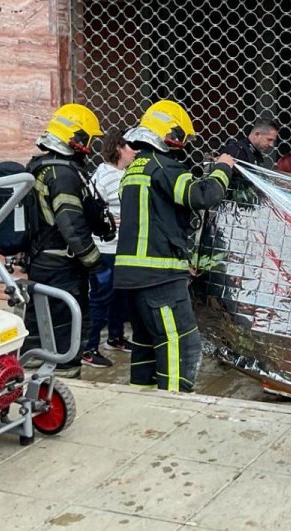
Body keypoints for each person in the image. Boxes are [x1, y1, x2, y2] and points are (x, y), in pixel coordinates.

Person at [114, 100, 234, 393]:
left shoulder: (133, 169)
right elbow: (202, 196)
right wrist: (223, 168)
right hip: (159, 276)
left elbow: (157, 220)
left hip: (134, 276)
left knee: (147, 343)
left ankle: (139, 401)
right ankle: (172, 407)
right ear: (170, 134)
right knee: (181, 344)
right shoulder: (163, 167)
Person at [22, 103, 106, 379]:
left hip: (41, 260)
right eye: (90, 139)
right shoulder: (63, 175)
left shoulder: (40, 167)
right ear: (77, 138)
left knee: (39, 321)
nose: (91, 146)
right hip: (61, 266)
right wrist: (94, 260)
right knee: (68, 323)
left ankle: (33, 366)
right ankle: (66, 377)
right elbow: (71, 224)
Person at [80, 130, 136, 368]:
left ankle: (116, 338)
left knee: (120, 296)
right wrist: (109, 218)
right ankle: (89, 348)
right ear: (119, 148)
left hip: (120, 248)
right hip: (105, 248)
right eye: (131, 147)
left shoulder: (124, 174)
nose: (136, 151)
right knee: (100, 298)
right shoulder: (103, 175)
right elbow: (89, 209)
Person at [220, 118, 279, 198]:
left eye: (273, 141)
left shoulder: (255, 154)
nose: (271, 145)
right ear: (257, 134)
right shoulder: (237, 150)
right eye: (269, 140)